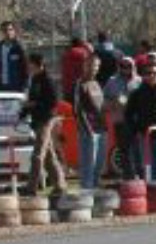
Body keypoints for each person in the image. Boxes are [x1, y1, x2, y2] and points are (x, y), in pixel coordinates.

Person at [24, 52, 67, 195]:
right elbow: (31, 101)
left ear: (37, 64)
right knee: (49, 156)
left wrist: (34, 104)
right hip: (37, 120)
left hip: (46, 120)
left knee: (37, 155)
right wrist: (23, 113)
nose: (28, 66)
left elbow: (53, 102)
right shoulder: (34, 79)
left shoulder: (47, 80)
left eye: (30, 63)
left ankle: (31, 188)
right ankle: (60, 185)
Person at [102, 55, 139, 181]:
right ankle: (129, 179)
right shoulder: (112, 81)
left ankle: (140, 178)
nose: (126, 68)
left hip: (137, 122)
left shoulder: (139, 81)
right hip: (120, 121)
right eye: (123, 66)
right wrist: (114, 103)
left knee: (138, 151)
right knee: (124, 151)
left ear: (134, 67)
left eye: (129, 66)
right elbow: (103, 102)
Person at [72, 59, 107, 190]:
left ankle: (95, 189)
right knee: (88, 164)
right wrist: (88, 130)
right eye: (91, 65)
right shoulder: (81, 84)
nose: (94, 68)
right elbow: (78, 110)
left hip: (101, 128)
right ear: (85, 66)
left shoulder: (96, 83)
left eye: (97, 66)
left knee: (99, 163)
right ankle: (86, 192)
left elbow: (101, 106)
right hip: (88, 131)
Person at [0, 22, 27, 92]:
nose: (8, 32)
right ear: (1, 33)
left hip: (16, 86)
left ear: (14, 31)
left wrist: (24, 85)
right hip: (2, 86)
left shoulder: (19, 47)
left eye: (10, 29)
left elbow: (25, 67)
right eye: (4, 30)